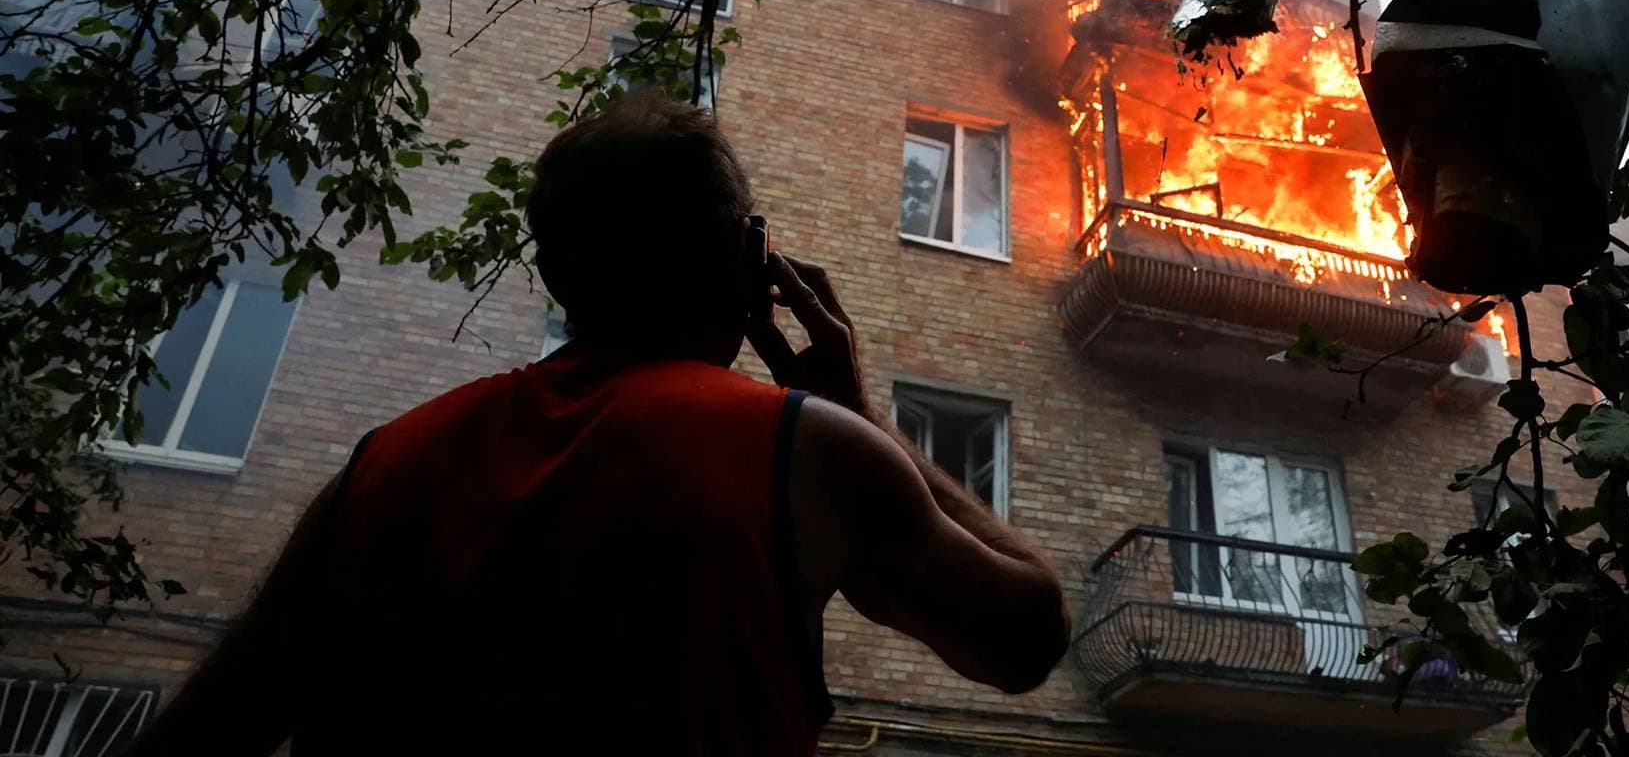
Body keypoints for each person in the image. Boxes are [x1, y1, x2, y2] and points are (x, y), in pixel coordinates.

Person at [122, 90, 1070, 757]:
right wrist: (862, 412)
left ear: (558, 274)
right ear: (748, 266)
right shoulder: (803, 451)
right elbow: (1026, 635)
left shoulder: (387, 462)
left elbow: (210, 728)